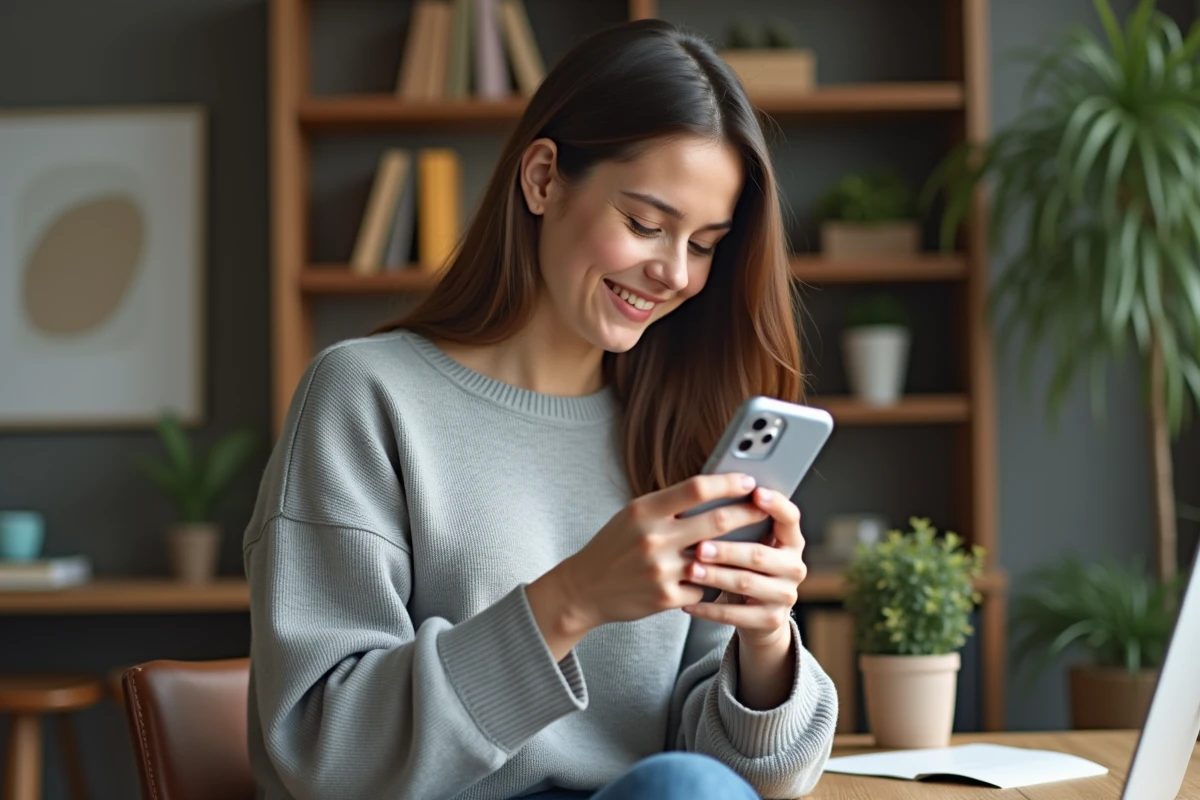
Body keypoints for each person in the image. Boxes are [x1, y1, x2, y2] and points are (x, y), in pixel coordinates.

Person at [244, 17, 837, 800]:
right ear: (544, 178)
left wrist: (764, 640)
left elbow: (755, 783)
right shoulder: (368, 397)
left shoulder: (674, 426)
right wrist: (572, 599)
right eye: (645, 224)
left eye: (703, 244)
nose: (674, 273)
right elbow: (325, 751)